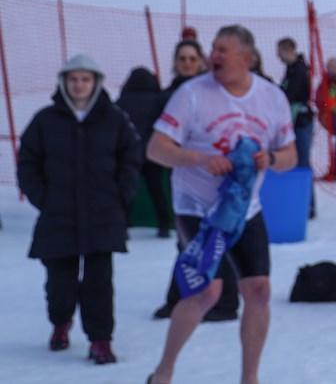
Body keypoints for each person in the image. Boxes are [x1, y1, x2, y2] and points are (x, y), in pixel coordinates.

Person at [146, 25, 297, 384]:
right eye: (212, 48)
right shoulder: (191, 93)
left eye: (222, 50)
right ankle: (164, 371)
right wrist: (200, 158)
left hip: (244, 208)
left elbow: (291, 155)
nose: (212, 55)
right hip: (198, 207)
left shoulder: (272, 97)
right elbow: (156, 149)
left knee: (259, 292)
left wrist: (271, 159)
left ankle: (250, 377)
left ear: (247, 58)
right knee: (206, 292)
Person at [17, 54, 141, 364]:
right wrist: (43, 197)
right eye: (73, 79)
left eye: (86, 79)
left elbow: (131, 157)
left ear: (96, 82)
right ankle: (61, 322)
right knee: (60, 281)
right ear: (63, 82)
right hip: (59, 214)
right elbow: (28, 161)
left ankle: (100, 340)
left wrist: (120, 195)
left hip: (103, 214)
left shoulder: (114, 118)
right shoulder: (45, 120)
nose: (79, 85)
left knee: (99, 281)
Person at [152, 39, 243, 323]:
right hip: (184, 180)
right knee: (187, 241)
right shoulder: (168, 95)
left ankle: (226, 302)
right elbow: (158, 140)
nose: (187, 64)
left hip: (217, 179)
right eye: (182, 59)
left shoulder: (215, 91)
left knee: (217, 238)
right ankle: (179, 298)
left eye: (192, 58)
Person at [116, 66, 171, 237]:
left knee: (128, 191)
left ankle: (124, 225)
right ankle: (164, 225)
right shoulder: (158, 100)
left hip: (129, 155)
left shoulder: (121, 102)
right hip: (152, 153)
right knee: (157, 191)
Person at [277, 37, 316, 217]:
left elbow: (290, 95)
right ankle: (301, 202)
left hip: (301, 121)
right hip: (295, 120)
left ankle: (308, 205)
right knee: (296, 161)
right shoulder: (292, 68)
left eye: (280, 51)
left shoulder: (299, 70)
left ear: (288, 50)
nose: (278, 56)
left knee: (302, 162)